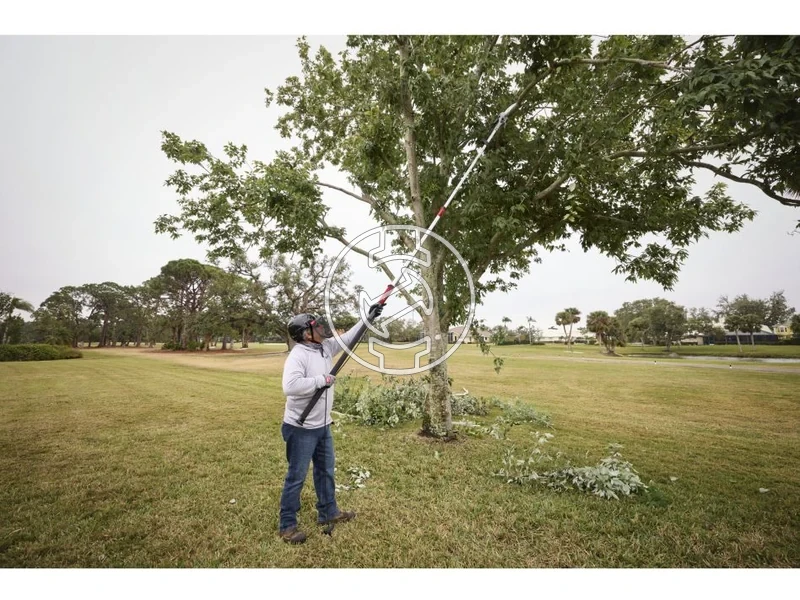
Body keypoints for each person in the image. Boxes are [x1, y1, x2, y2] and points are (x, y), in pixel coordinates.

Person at [278, 304, 383, 544]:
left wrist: (369, 317)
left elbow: (348, 338)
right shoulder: (298, 355)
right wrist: (321, 380)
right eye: (316, 326)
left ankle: (328, 512)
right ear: (306, 334)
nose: (322, 328)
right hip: (301, 427)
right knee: (296, 476)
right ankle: (287, 526)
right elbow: (290, 387)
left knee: (325, 471)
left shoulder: (325, 348)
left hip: (322, 425)